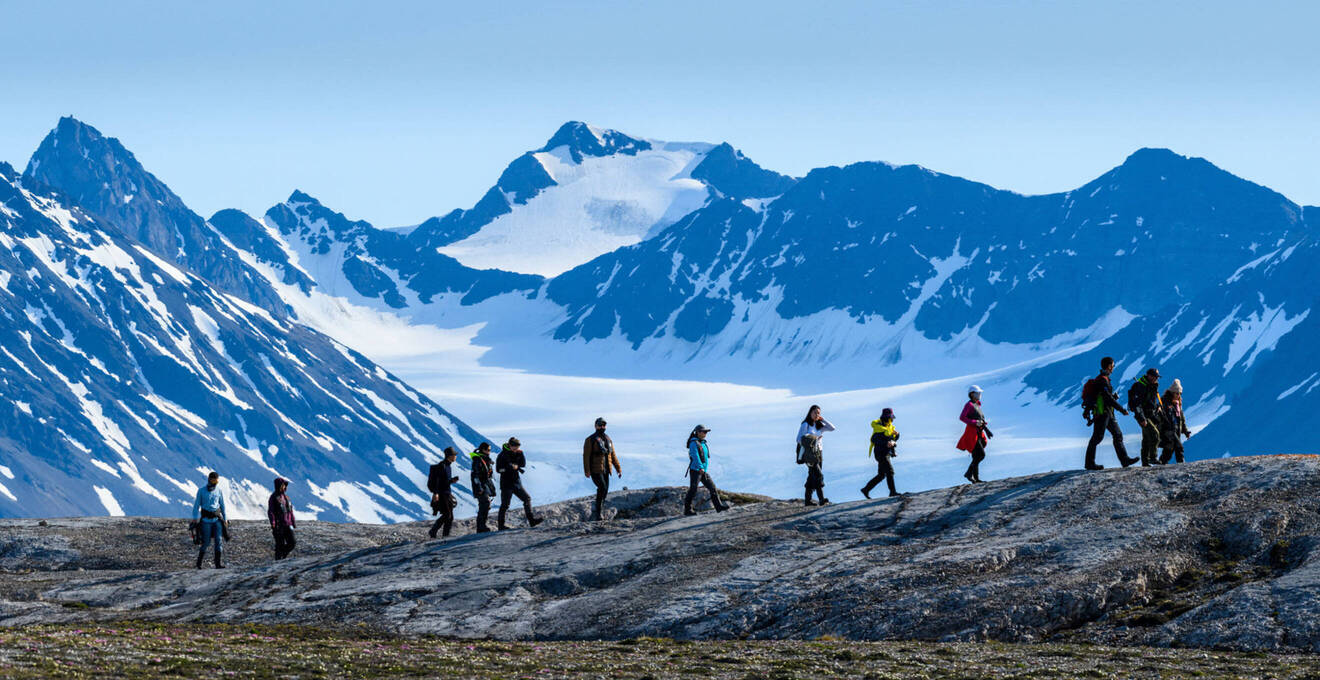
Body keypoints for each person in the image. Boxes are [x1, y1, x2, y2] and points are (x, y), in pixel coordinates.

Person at [1083, 357, 1137, 470]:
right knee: (1097, 438)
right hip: (1102, 413)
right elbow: (1108, 399)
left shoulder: (1104, 379)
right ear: (1108, 366)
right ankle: (1089, 463)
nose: (1113, 367)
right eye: (1112, 365)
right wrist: (1121, 410)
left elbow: (1106, 397)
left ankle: (1125, 460)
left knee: (1118, 435)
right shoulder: (1102, 380)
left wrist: (1113, 400)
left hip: (1107, 412)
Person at [497, 437, 544, 530]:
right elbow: (498, 469)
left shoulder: (519, 453)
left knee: (527, 499)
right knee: (505, 505)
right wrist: (509, 468)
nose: (516, 448)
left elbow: (523, 464)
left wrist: (517, 464)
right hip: (506, 483)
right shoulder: (502, 455)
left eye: (517, 446)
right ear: (509, 445)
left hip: (516, 482)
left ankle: (532, 521)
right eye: (514, 446)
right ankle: (501, 525)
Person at [684, 425, 729, 515]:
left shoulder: (703, 443)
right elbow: (695, 456)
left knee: (712, 488)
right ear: (698, 432)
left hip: (702, 470)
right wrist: (700, 467)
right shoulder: (694, 443)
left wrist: (703, 468)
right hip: (696, 470)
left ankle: (718, 507)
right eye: (704, 432)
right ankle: (687, 510)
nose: (705, 434)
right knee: (693, 490)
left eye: (706, 432)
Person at [583, 418, 622, 521]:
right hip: (595, 469)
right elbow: (586, 456)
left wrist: (618, 468)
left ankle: (599, 510)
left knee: (605, 491)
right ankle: (598, 513)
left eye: (604, 425)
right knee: (602, 487)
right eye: (600, 425)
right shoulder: (590, 439)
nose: (602, 427)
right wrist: (587, 470)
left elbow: (613, 455)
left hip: (606, 469)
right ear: (595, 426)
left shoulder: (608, 439)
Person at [796, 405, 835, 506]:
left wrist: (823, 419)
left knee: (812, 476)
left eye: (819, 413)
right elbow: (799, 439)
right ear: (810, 413)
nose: (817, 414)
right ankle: (821, 499)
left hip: (818, 453)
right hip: (809, 454)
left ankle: (807, 501)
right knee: (818, 475)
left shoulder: (819, 425)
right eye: (815, 412)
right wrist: (814, 440)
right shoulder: (805, 424)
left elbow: (832, 428)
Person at [1128, 368, 1163, 467]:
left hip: (1150, 415)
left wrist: (1158, 407)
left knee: (1146, 439)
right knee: (1155, 435)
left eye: (1157, 377)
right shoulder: (1140, 386)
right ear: (1149, 376)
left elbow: (1150, 401)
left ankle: (1145, 462)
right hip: (1143, 416)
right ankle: (1153, 458)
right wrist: (1142, 418)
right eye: (1155, 376)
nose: (1156, 378)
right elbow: (1136, 404)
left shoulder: (1151, 386)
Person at [862, 408, 900, 498]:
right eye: (890, 418)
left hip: (886, 453)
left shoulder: (889, 427)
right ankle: (892, 492)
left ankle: (866, 489)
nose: (892, 420)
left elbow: (893, 439)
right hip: (880, 453)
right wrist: (886, 443)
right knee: (890, 472)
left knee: (882, 475)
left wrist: (896, 437)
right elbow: (874, 439)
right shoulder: (878, 428)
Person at [192, 471, 227, 569]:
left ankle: (218, 564)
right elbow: (196, 506)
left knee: (218, 540)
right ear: (209, 479)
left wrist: (225, 518)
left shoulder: (219, 491)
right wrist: (194, 519)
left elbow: (222, 505)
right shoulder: (201, 491)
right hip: (206, 521)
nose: (214, 483)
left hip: (217, 520)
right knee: (206, 542)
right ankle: (199, 563)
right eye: (213, 481)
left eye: (216, 481)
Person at [956, 386, 991, 484]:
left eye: (980, 393)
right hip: (972, 434)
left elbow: (981, 421)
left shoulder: (977, 405)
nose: (980, 395)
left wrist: (987, 430)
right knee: (981, 455)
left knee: (977, 456)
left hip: (979, 433)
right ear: (972, 394)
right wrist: (975, 422)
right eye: (977, 393)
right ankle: (971, 475)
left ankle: (974, 477)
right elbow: (962, 417)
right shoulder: (969, 405)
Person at [427, 447, 459, 538]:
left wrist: (452, 480)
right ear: (449, 456)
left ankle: (445, 535)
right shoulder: (442, 466)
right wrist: (436, 493)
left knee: (450, 516)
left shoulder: (448, 466)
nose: (456, 456)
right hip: (442, 494)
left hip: (447, 493)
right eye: (454, 455)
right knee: (447, 515)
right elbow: (438, 481)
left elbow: (445, 481)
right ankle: (433, 531)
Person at [1158, 379, 1192, 464]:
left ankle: (1162, 462)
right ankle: (1181, 463)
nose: (1178, 395)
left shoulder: (1177, 404)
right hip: (1167, 430)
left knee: (1169, 448)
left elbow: (1181, 419)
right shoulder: (1164, 402)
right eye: (1177, 393)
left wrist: (1185, 431)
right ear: (1172, 392)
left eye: (1180, 393)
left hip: (1176, 429)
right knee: (1179, 447)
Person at [469, 443, 497, 532]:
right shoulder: (477, 460)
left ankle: (482, 526)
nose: (489, 452)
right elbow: (475, 476)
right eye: (488, 450)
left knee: (485, 504)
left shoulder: (484, 459)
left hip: (485, 485)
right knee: (484, 504)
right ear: (483, 450)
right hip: (481, 486)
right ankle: (481, 527)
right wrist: (479, 488)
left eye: (490, 450)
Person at [267, 477, 297, 559]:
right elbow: (271, 511)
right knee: (280, 545)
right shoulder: (273, 498)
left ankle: (282, 556)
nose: (285, 487)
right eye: (284, 485)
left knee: (292, 543)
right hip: (279, 526)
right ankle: (278, 562)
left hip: (288, 525)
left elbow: (290, 511)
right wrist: (273, 523)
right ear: (279, 486)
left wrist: (293, 522)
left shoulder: (287, 498)